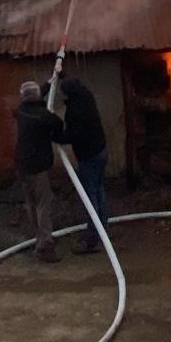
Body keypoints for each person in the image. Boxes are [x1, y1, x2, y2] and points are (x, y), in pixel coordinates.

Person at [55, 77, 108, 254]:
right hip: (101, 150)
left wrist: (55, 136)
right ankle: (102, 228)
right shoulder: (86, 95)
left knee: (90, 196)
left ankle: (92, 239)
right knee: (99, 190)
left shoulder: (75, 110)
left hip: (89, 156)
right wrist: (61, 75)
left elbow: (72, 135)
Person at [13, 81, 64, 263]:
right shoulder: (44, 117)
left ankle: (39, 237)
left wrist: (48, 84)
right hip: (37, 167)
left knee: (32, 203)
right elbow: (58, 124)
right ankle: (45, 246)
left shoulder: (20, 111)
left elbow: (33, 98)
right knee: (44, 204)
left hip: (21, 166)